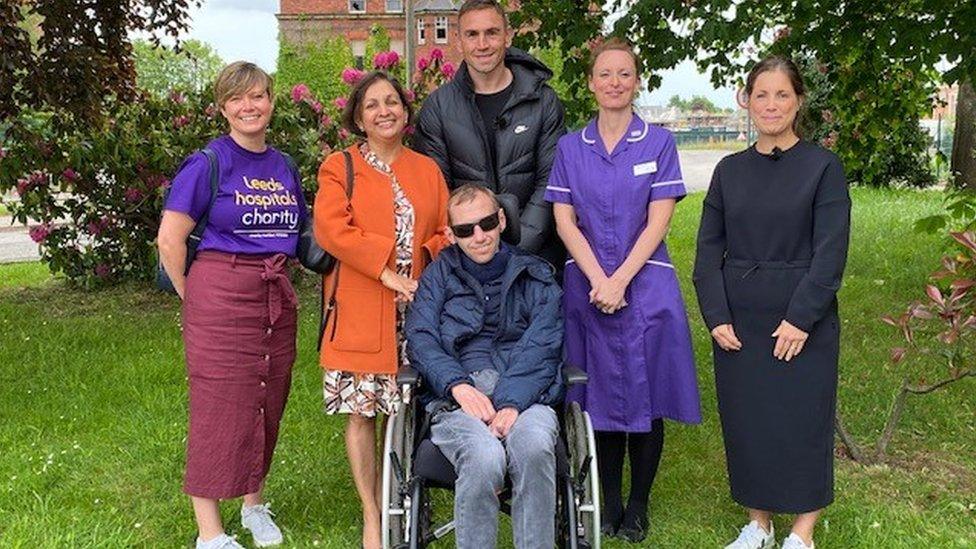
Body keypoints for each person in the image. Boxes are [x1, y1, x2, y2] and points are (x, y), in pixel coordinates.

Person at [545, 38, 702, 543]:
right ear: (591, 83)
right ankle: (608, 500)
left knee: (647, 393)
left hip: (646, 284)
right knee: (600, 395)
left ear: (637, 81)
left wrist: (620, 280)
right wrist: (598, 279)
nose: (614, 82)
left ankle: (638, 504)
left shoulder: (658, 143)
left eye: (624, 74)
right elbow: (564, 221)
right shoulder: (571, 148)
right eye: (605, 74)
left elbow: (660, 219)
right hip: (587, 285)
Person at [693, 55, 850, 549]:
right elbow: (707, 251)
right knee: (748, 421)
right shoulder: (729, 171)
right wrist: (716, 315)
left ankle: (802, 530)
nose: (771, 104)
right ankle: (757, 522)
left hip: (803, 317)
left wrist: (801, 318)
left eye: (782, 94)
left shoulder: (823, 167)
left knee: (803, 419)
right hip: (740, 320)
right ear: (746, 99)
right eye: (762, 94)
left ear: (799, 101)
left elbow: (831, 252)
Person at [158, 61, 301, 549]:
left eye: (258, 95)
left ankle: (254, 504)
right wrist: (192, 295)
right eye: (238, 99)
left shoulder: (284, 166)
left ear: (271, 102)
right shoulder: (207, 163)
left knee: (266, 400)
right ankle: (210, 532)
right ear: (222, 108)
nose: (249, 106)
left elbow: (296, 233)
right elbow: (170, 239)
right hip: (220, 292)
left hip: (274, 293)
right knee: (219, 407)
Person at [313, 70, 450, 549]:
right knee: (363, 415)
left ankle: (411, 493)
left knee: (414, 410)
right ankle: (373, 513)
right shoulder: (339, 166)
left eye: (392, 101)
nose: (384, 110)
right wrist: (386, 269)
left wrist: (425, 261)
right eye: (372, 104)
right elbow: (332, 229)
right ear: (358, 117)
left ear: (406, 112)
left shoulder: (427, 169)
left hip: (419, 308)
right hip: (360, 308)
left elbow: (443, 234)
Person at [405, 184, 564, 549]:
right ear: (451, 235)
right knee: (484, 455)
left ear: (501, 220)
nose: (479, 236)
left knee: (536, 446)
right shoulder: (437, 278)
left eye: (487, 223)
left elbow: (544, 344)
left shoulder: (536, 276)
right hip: (458, 398)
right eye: (465, 230)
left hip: (527, 395)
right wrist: (457, 385)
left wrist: (510, 402)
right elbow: (421, 337)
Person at [413, 0, 566, 267]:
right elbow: (437, 191)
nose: (482, 44)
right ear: (459, 41)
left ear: (507, 36)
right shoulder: (437, 109)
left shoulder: (543, 101)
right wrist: (477, 244)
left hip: (536, 258)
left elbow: (550, 183)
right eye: (472, 34)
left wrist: (515, 252)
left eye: (492, 32)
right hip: (467, 259)